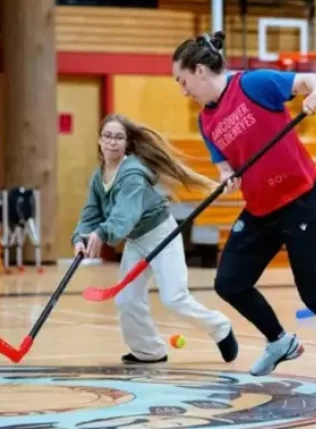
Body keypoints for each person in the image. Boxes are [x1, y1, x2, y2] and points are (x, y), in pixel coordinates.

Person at [170, 31, 316, 392]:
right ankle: (280, 341)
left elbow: (312, 80)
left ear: (200, 71)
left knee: (315, 293)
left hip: (302, 200)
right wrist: (227, 176)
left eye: (182, 81)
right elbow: (224, 165)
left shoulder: (254, 84)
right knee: (229, 283)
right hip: (260, 209)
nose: (183, 90)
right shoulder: (206, 120)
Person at [71, 114, 238, 365]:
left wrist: (102, 234)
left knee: (174, 298)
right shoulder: (99, 176)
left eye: (119, 137)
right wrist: (80, 237)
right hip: (137, 240)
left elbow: (124, 216)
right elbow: (91, 212)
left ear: (127, 143)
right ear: (99, 140)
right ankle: (148, 351)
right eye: (108, 136)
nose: (112, 142)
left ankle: (220, 327)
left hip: (161, 234)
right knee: (127, 299)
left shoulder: (133, 174)